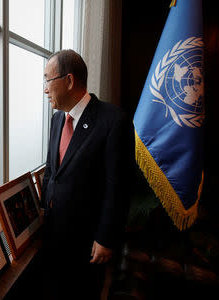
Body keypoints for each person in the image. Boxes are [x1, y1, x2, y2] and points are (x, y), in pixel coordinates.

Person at [38, 49, 133, 299]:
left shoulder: (114, 121)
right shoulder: (57, 120)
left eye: (48, 80)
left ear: (69, 81)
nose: (45, 89)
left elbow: (118, 188)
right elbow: (51, 171)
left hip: (87, 241)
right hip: (55, 234)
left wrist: (105, 237)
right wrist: (41, 211)